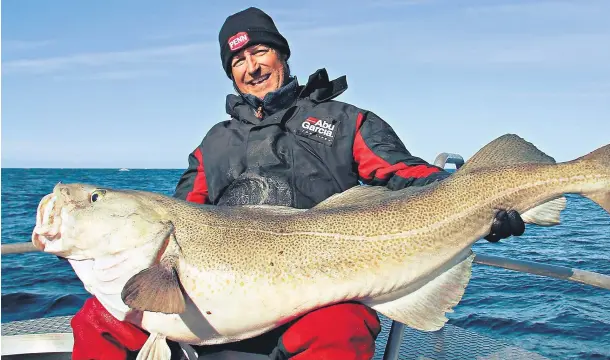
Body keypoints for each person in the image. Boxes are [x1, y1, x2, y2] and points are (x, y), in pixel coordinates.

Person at [70, 6, 525, 360]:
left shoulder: (346, 122)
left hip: (319, 293)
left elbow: (410, 178)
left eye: (260, 52)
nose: (252, 67)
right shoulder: (213, 143)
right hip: (223, 298)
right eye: (238, 60)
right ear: (230, 72)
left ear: (282, 54)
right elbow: (177, 216)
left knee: (340, 326)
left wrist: (480, 202)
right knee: (99, 317)